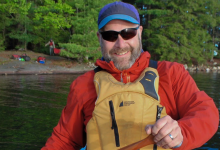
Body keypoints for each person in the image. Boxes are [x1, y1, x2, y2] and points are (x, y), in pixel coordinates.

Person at [41, 2, 219, 150]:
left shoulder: (171, 74)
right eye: (110, 35)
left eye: (128, 33)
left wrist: (182, 132)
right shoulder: (83, 85)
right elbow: (64, 141)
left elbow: (206, 112)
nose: (120, 43)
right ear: (99, 38)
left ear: (139, 32)